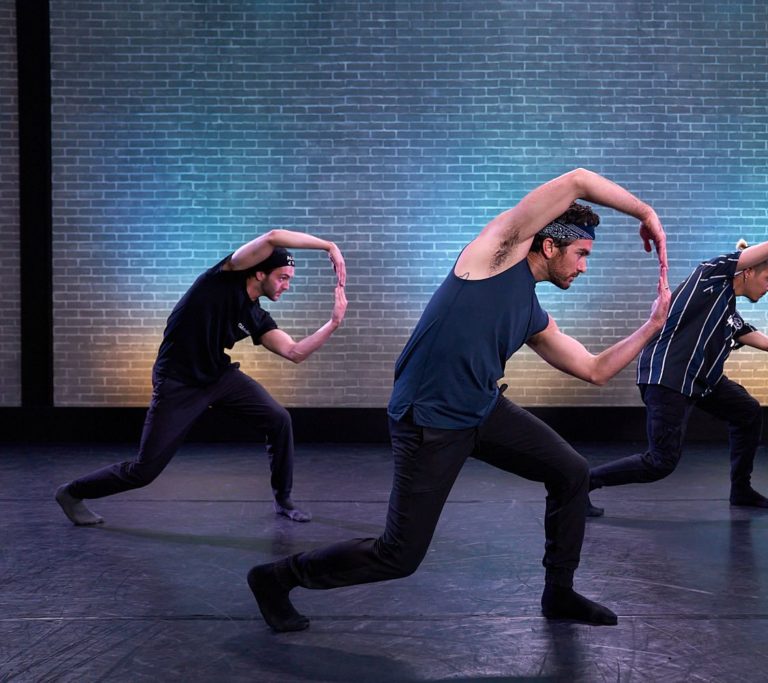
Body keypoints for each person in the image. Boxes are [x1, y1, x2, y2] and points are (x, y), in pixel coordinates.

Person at [247, 168, 671, 632]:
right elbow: (577, 180)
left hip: (482, 410)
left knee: (572, 473)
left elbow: (595, 370)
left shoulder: (531, 311)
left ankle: (559, 592)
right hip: (429, 421)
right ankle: (277, 577)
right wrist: (645, 212)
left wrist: (651, 328)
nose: (584, 267)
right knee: (399, 555)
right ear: (550, 245)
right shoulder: (491, 257)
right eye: (582, 254)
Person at [55, 229, 347, 526]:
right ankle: (71, 492)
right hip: (178, 382)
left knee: (279, 419)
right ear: (259, 273)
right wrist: (328, 245)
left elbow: (295, 352)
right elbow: (273, 237)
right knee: (144, 471)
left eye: (289, 280)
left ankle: (283, 499)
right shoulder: (222, 278)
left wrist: (333, 323)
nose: (286, 286)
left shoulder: (255, 315)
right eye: (282, 278)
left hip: (218, 377)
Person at [586, 237, 768, 516]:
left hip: (700, 382)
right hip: (668, 380)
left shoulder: (730, 314)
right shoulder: (711, 275)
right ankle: (582, 483)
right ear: (748, 271)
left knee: (747, 412)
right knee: (661, 462)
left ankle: (741, 489)